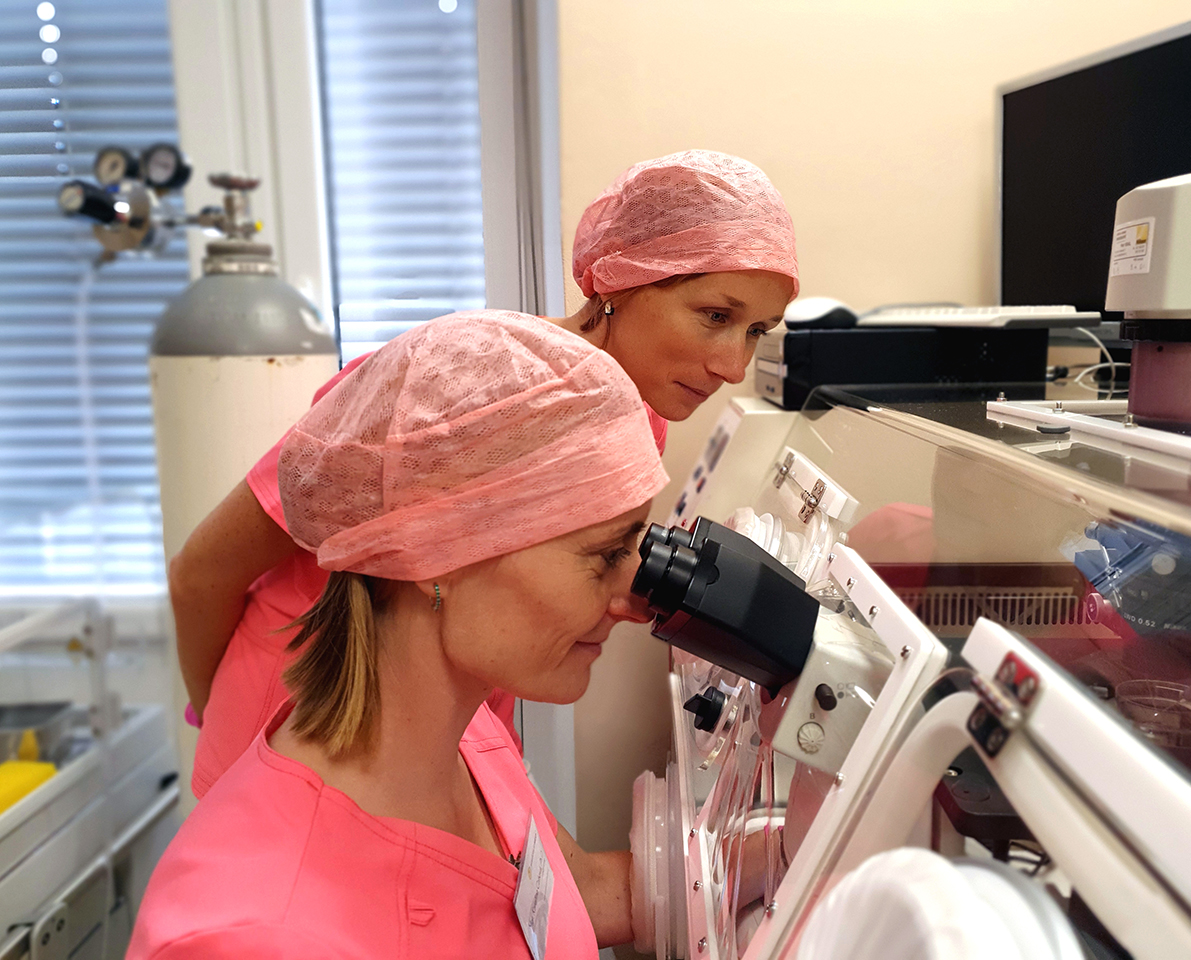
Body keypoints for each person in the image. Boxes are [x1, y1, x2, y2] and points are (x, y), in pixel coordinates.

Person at [174, 149, 799, 797]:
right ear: (618, 280)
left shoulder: (637, 417)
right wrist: (217, 715)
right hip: (303, 706)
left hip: (439, 721)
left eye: (757, 330)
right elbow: (201, 574)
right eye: (716, 317)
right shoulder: (463, 391)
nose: (733, 366)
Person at [127, 313, 670, 959]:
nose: (635, 604)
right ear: (435, 553)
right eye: (606, 555)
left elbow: (568, 900)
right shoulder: (251, 936)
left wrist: (764, 855)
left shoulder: (466, 735)